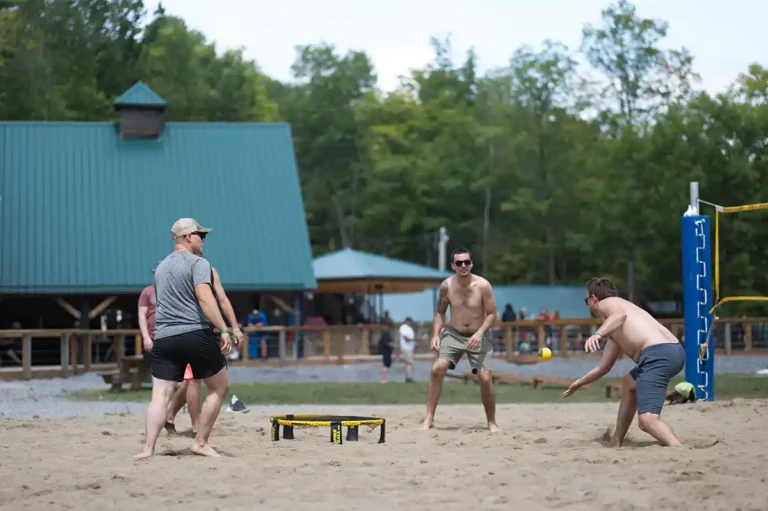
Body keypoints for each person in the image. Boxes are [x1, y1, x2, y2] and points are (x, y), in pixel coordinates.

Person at [135, 217, 238, 459]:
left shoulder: (160, 268)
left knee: (159, 395)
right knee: (219, 386)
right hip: (194, 333)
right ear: (188, 237)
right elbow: (205, 298)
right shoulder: (198, 263)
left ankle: (148, 448)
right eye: (201, 236)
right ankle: (200, 442)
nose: (203, 240)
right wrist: (224, 328)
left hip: (164, 337)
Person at [561, 277, 685, 448]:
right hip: (672, 350)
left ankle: (679, 449)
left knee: (647, 421)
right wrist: (579, 383)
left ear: (593, 298)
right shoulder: (616, 325)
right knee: (629, 383)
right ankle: (616, 441)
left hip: (657, 354)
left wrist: (597, 335)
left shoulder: (608, 304)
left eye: (586, 300)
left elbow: (620, 315)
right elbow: (603, 367)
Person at [422, 248, 500, 432]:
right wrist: (435, 334)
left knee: (485, 376)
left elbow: (491, 314)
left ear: (472, 264)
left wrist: (480, 333)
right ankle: (429, 418)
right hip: (454, 333)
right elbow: (440, 314)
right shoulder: (446, 286)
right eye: (459, 263)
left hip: (478, 334)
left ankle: (491, 421)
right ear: (453, 266)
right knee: (437, 368)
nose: (463, 266)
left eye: (466, 262)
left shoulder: (483, 285)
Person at [164, 266, 247, 435]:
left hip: (197, 332)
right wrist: (230, 328)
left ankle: (170, 416)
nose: (202, 241)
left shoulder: (206, 271)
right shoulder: (186, 274)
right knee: (195, 380)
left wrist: (233, 327)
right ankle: (195, 425)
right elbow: (217, 301)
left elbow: (222, 300)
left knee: (191, 381)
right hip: (189, 333)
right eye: (200, 238)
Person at [398, 317, 416, 383]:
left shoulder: (410, 328)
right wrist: (416, 339)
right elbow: (406, 339)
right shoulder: (403, 328)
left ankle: (408, 377)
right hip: (406, 347)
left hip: (410, 347)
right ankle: (409, 377)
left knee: (408, 363)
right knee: (409, 362)